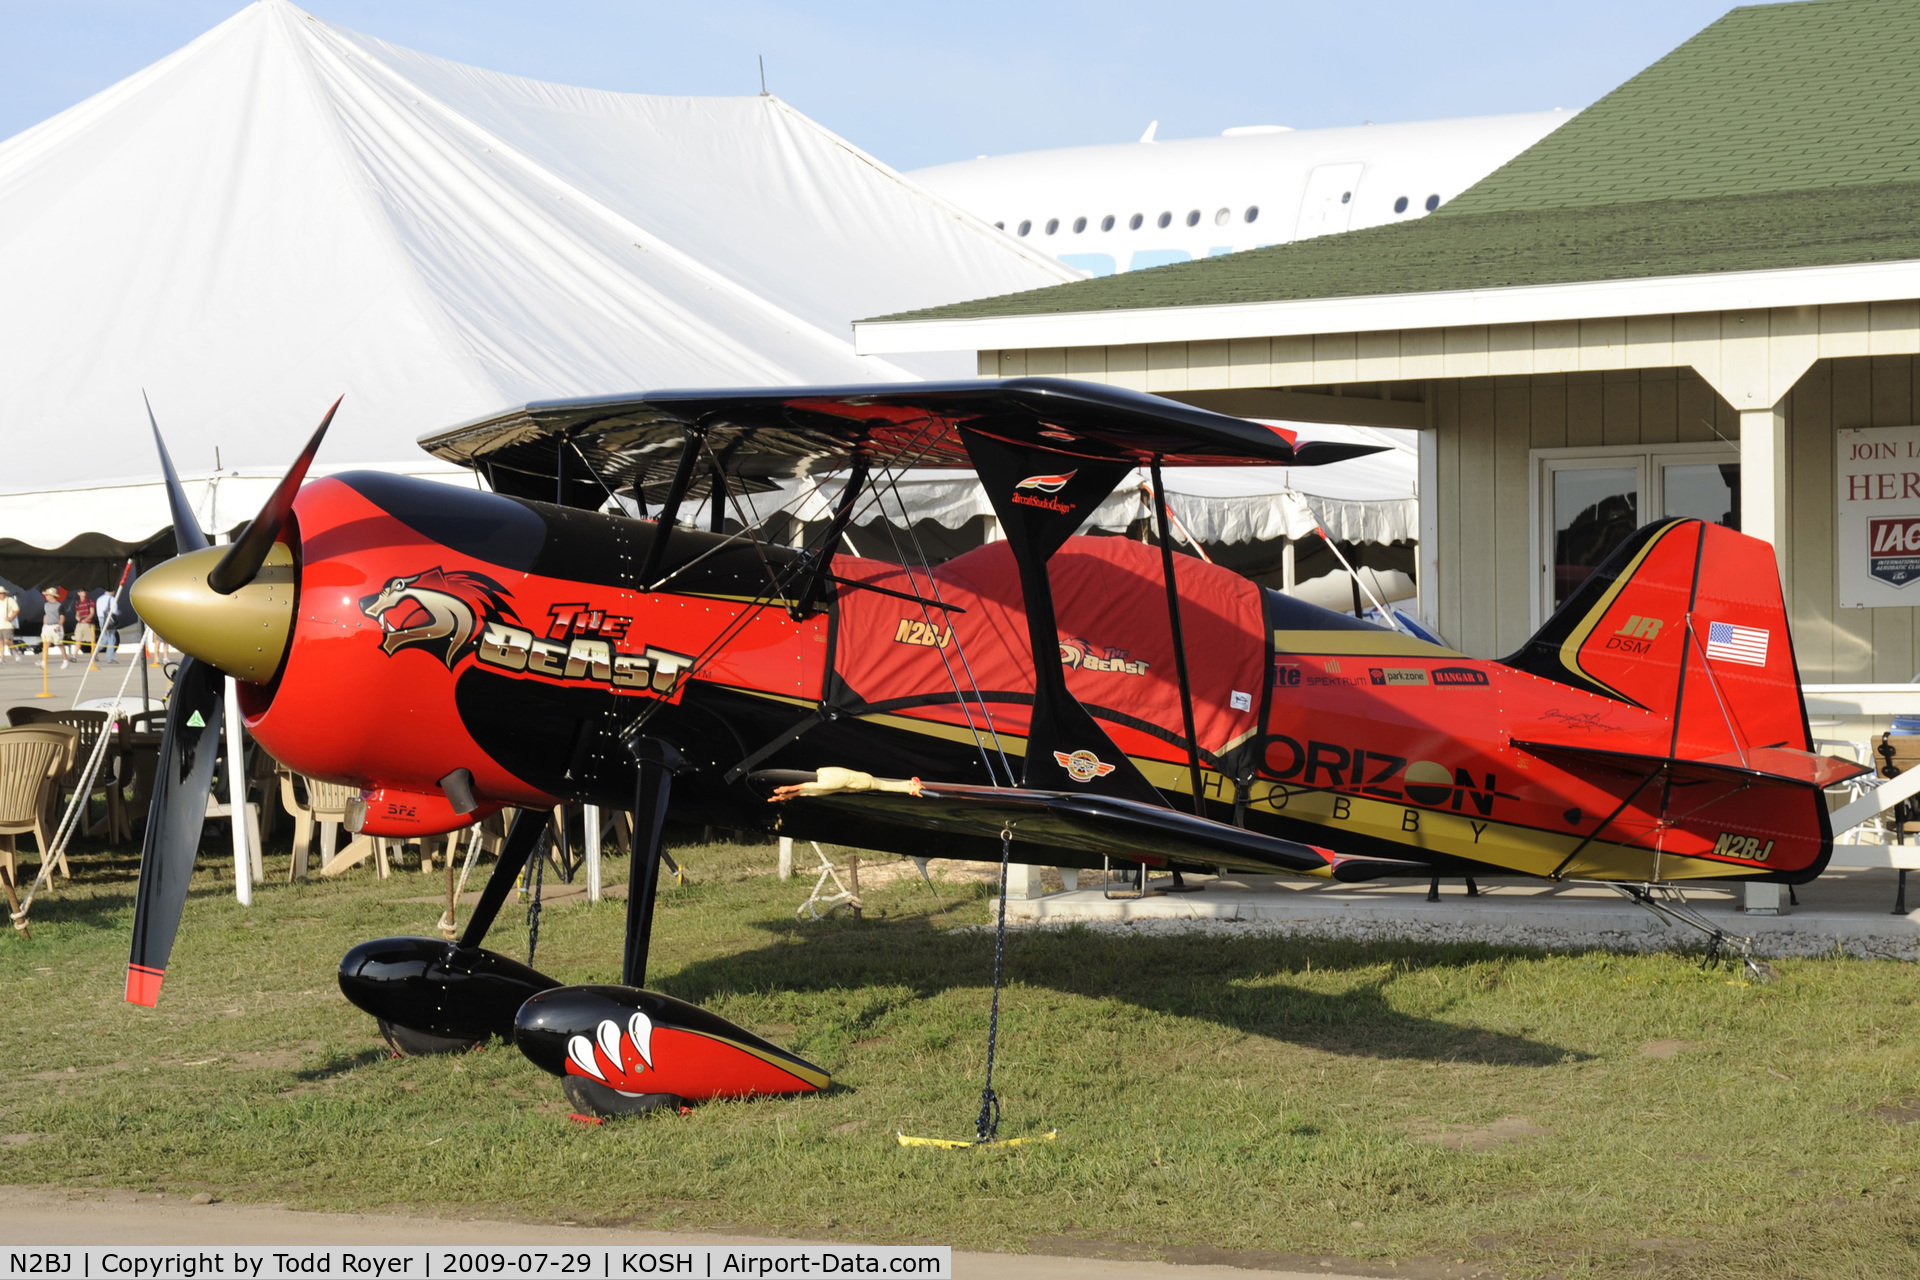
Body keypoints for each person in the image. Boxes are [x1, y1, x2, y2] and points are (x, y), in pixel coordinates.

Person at [40, 587, 65, 665]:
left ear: (52, 596)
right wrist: (44, 624)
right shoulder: (46, 605)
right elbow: (45, 615)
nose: (46, 596)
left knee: (59, 644)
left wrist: (59, 626)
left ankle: (65, 660)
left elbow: (62, 617)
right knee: (46, 644)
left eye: (47, 595)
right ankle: (43, 662)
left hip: (56, 626)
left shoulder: (59, 605)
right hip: (47, 626)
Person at [95, 587, 119, 663]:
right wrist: (119, 613)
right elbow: (114, 610)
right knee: (112, 638)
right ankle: (110, 658)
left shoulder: (99, 599)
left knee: (105, 638)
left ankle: (95, 651)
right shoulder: (112, 599)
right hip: (109, 620)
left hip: (101, 619)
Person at [72, 588, 95, 664]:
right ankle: (74, 656)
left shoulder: (90, 601)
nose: (84, 592)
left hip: (88, 624)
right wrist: (77, 617)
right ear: (78, 593)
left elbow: (92, 613)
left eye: (84, 591)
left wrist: (87, 619)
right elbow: (77, 613)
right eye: (82, 591)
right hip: (80, 624)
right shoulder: (78, 602)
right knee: (78, 640)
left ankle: (94, 655)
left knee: (91, 640)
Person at [0, 588, 15, 661]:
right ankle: (2, 657)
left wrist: (11, 618)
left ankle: (16, 652)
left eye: (3, 593)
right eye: (0, 593)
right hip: (0, 625)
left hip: (7, 625)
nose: (1, 595)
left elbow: (16, 610)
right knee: (1, 642)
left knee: (7, 640)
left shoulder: (10, 600)